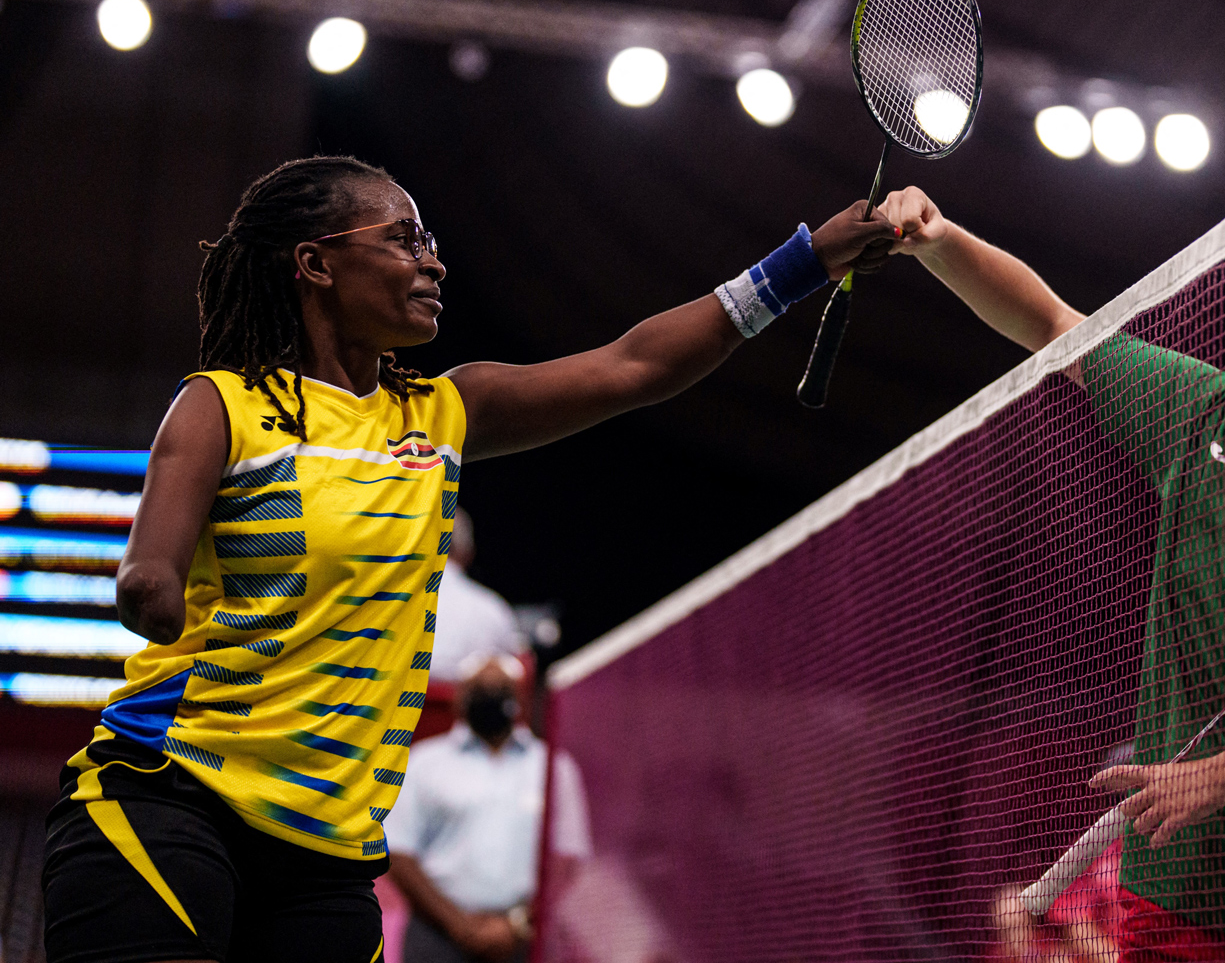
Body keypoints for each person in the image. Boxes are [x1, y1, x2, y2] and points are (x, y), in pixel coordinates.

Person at [41, 155, 897, 963]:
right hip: (172, 796)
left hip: (329, 854)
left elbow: (636, 366)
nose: (433, 263)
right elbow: (148, 567)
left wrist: (804, 264)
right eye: (404, 239)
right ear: (315, 263)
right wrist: (149, 589)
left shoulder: (444, 414)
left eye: (433, 244)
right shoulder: (224, 405)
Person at [875, 185, 1225, 963]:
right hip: (1175, 883)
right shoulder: (1203, 418)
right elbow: (1051, 324)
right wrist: (940, 241)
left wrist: (1213, 778)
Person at [384, 654, 588, 963]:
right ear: (459, 696)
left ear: (519, 695)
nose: (490, 697)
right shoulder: (423, 764)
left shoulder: (553, 766)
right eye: (479, 688)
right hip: (437, 936)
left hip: (526, 937)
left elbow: (568, 856)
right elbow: (398, 853)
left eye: (500, 689)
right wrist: (461, 927)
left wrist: (517, 924)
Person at [428, 508, 525, 682]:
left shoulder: (392, 605)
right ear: (468, 553)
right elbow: (519, 673)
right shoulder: (492, 609)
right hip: (472, 707)